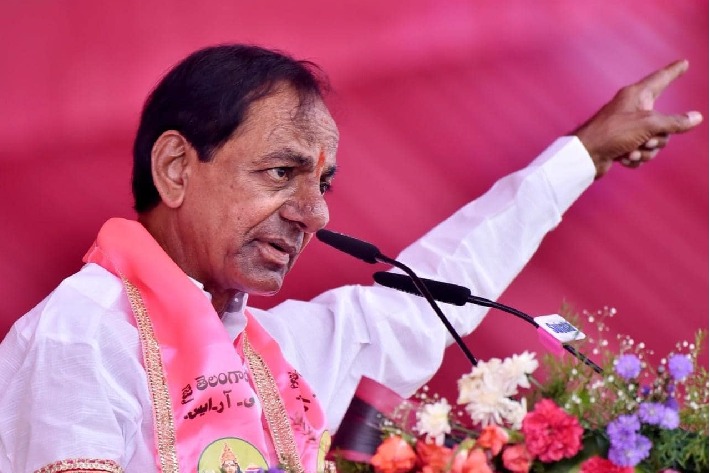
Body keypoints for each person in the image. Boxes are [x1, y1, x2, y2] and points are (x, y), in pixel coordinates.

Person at [0, 44, 701, 473]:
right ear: (176, 167)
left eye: (323, 185)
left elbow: (429, 298)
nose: (316, 213)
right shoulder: (82, 338)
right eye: (281, 172)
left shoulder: (279, 352)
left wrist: (584, 154)